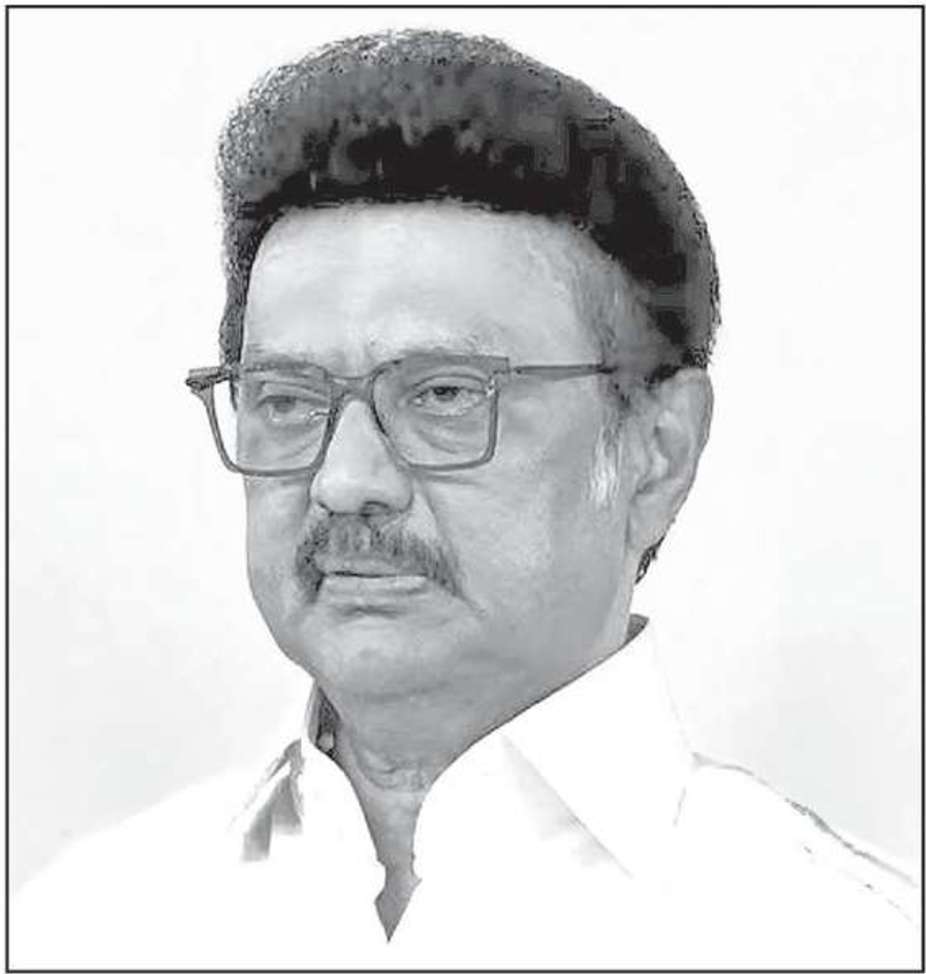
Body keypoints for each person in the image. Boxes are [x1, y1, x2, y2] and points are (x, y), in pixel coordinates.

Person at [12, 28, 919, 969]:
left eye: (445, 395)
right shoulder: (87, 926)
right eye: (287, 400)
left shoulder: (841, 942)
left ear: (658, 454)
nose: (344, 481)